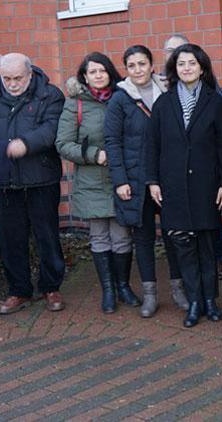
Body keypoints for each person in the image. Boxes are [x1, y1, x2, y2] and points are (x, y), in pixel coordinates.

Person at [146, 43, 222, 328]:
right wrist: (152, 181)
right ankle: (194, 301)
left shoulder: (215, 102)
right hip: (174, 186)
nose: (187, 68)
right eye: (181, 64)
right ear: (175, 69)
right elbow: (152, 146)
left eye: (192, 63)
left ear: (202, 67)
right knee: (184, 247)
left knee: (207, 245)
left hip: (206, 185)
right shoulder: (163, 104)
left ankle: (210, 301)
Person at [104, 45, 188, 318]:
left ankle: (179, 290)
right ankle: (150, 295)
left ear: (152, 65)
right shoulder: (120, 99)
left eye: (142, 64)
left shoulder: (168, 92)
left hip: (168, 179)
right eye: (132, 66)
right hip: (135, 180)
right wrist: (120, 180)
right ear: (126, 70)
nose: (138, 70)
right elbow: (112, 142)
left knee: (174, 234)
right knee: (143, 238)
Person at [56, 52, 141, 314]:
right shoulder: (75, 104)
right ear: (85, 76)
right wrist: (95, 155)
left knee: (122, 236)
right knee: (100, 237)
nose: (98, 75)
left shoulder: (123, 97)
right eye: (92, 72)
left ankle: (123, 286)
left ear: (110, 72)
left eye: (102, 70)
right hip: (92, 180)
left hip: (121, 178)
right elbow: (63, 144)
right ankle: (108, 290)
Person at [0, 53, 66, 314]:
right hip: (7, 182)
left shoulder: (50, 95)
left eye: (18, 78)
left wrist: (25, 144)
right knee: (11, 240)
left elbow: (52, 130)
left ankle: (51, 287)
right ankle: (19, 291)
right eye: (6, 78)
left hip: (41, 178)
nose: (12, 84)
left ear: (30, 73)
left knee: (47, 237)